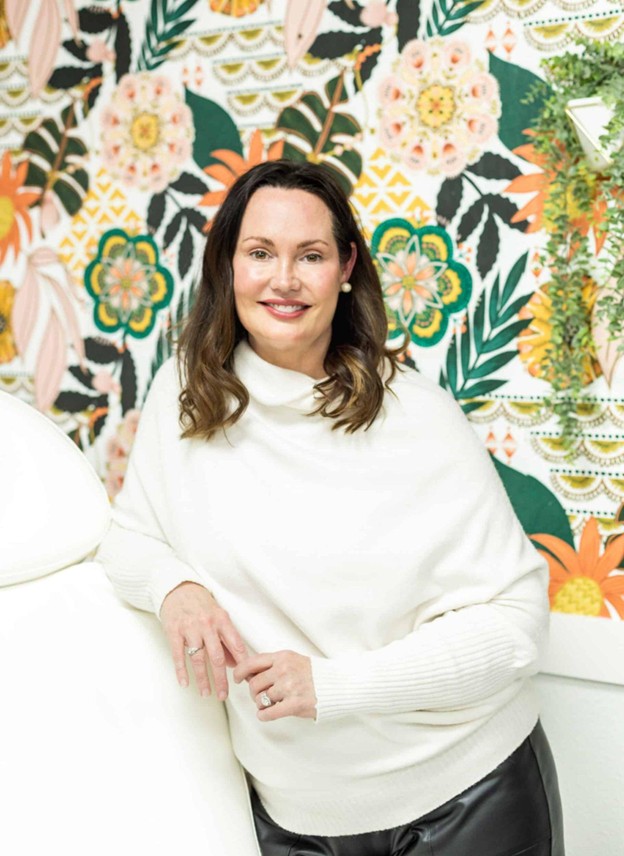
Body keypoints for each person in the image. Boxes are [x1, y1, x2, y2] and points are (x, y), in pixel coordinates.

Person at [97, 159, 564, 856]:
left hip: (468, 793)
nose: (283, 279)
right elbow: (127, 539)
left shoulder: (417, 417)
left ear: (345, 268)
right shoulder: (185, 396)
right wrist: (175, 588)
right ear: (228, 265)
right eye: (260, 253)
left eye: (310, 255)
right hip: (295, 815)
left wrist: (333, 686)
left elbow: (518, 623)